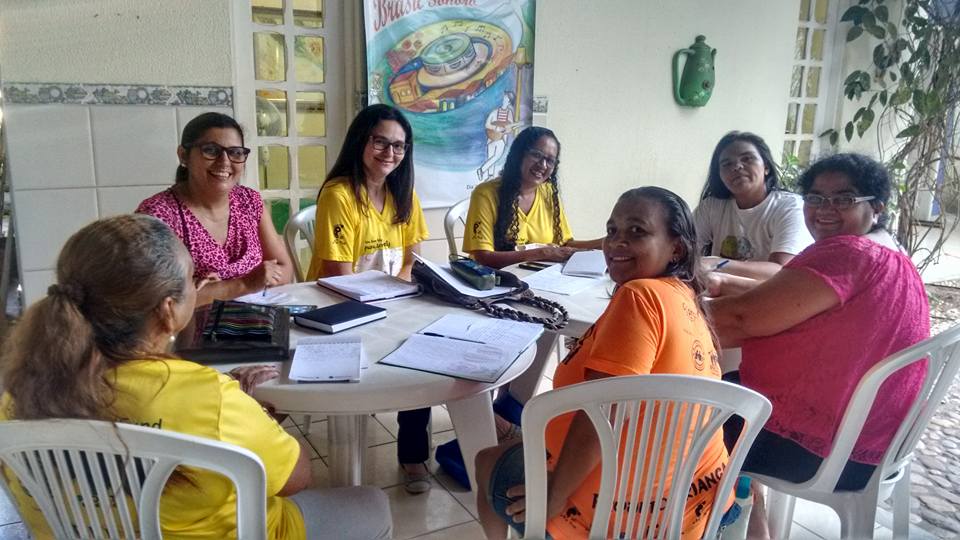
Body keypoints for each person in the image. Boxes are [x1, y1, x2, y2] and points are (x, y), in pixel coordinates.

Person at [0, 214, 392, 540]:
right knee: (372, 503)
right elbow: (297, 478)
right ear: (168, 309)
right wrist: (254, 415)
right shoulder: (208, 398)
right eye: (192, 279)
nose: (200, 286)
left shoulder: (16, 395)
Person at [474, 187, 731, 539]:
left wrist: (554, 496)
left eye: (637, 231)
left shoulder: (639, 297)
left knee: (487, 460)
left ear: (677, 248)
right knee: (508, 450)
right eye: (612, 230)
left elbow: (603, 412)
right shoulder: (685, 293)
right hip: (696, 502)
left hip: (624, 514)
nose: (616, 242)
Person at [709, 154, 929, 538]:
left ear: (876, 207)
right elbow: (794, 299)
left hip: (825, 453)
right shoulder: (891, 254)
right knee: (731, 390)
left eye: (844, 199)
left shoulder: (847, 253)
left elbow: (738, 321)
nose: (825, 209)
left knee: (686, 408)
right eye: (815, 198)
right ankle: (755, 523)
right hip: (877, 445)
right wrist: (725, 283)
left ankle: (693, 520)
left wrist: (659, 308)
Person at [303, 104, 432, 494]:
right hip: (337, 307)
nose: (390, 153)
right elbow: (339, 275)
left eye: (399, 146)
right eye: (380, 142)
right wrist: (384, 307)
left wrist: (398, 296)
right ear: (361, 141)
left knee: (422, 353)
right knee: (394, 349)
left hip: (389, 301)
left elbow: (412, 259)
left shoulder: (403, 194)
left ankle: (413, 453)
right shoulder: (339, 194)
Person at [137, 112, 294, 306]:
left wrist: (214, 291)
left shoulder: (249, 201)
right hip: (193, 325)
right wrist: (244, 284)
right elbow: (157, 300)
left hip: (256, 318)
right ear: (184, 155)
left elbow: (285, 268)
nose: (225, 161)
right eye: (211, 150)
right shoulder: (158, 216)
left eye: (235, 152)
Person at [463, 126, 602, 269]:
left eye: (550, 161)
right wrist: (543, 253)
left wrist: (603, 243)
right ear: (519, 154)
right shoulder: (485, 194)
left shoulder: (548, 193)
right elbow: (483, 257)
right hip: (496, 277)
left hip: (538, 276)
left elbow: (564, 244)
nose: (543, 165)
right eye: (536, 155)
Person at [694, 131, 813, 296]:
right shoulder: (712, 207)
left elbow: (781, 270)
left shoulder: (790, 207)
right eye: (727, 164)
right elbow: (685, 250)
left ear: (766, 167)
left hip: (770, 299)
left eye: (747, 159)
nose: (737, 167)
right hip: (717, 297)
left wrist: (717, 263)